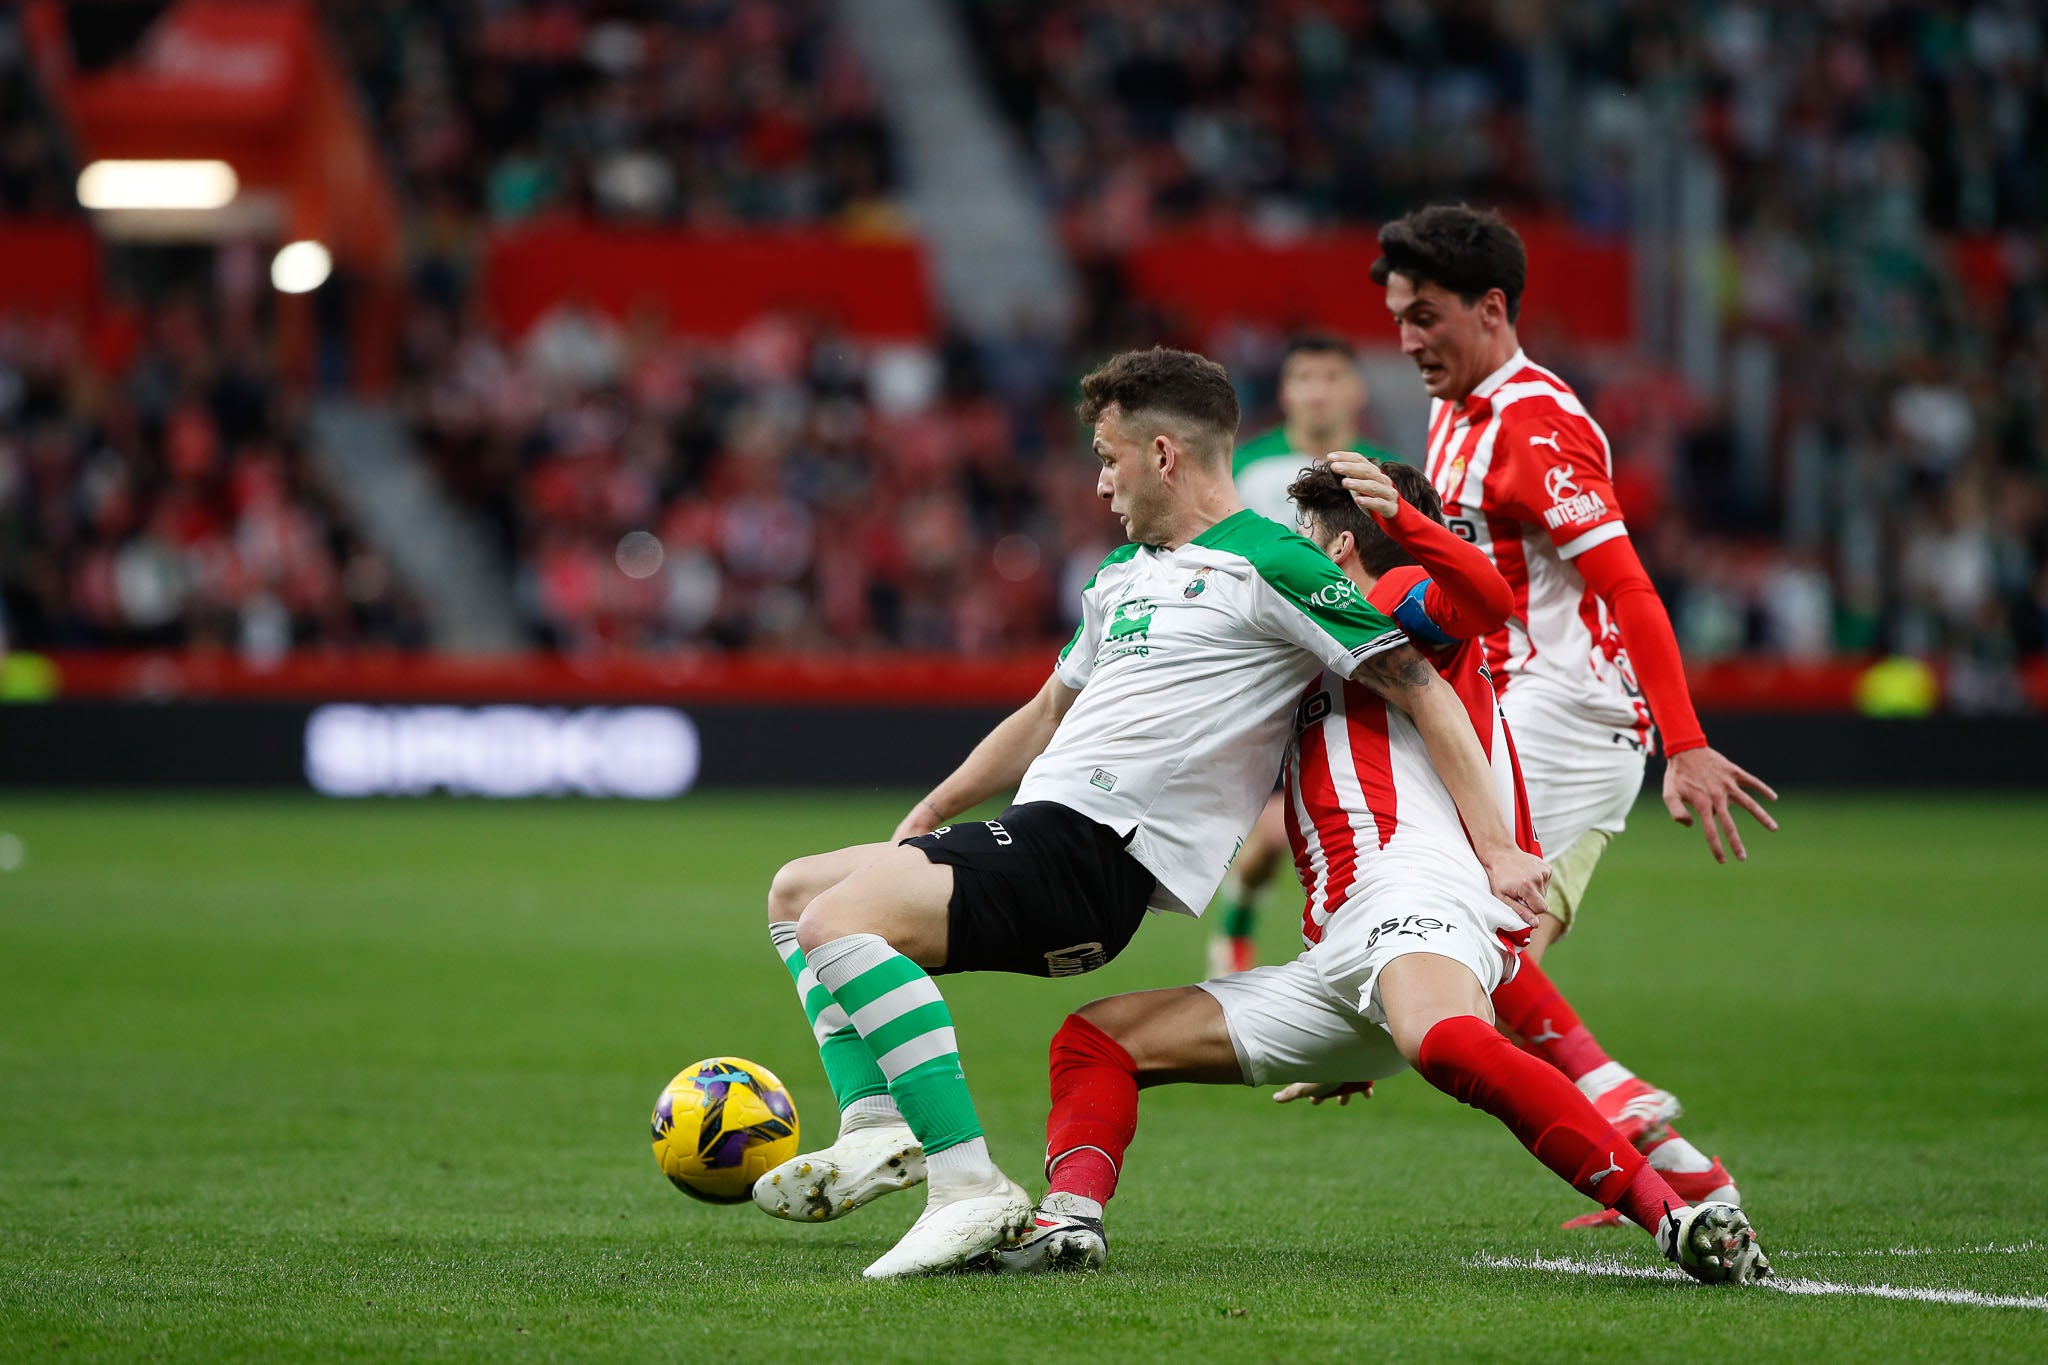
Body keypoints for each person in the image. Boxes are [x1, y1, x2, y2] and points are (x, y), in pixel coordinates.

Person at [756, 347, 1549, 1279]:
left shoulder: (1273, 559)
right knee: (796, 891)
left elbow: (1421, 685)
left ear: (1163, 454)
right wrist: (934, 806)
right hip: (1047, 827)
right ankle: (876, 1123)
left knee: (838, 919)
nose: (1098, 482)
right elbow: (1048, 710)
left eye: (1107, 457)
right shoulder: (1123, 573)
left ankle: (965, 1182)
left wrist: (1497, 848)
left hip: (1101, 851)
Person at [993, 459, 1771, 1286]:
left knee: (1440, 1039)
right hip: (1342, 954)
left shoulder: (1393, 599)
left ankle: (1677, 1215)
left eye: (1303, 540)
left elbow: (1485, 601)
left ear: (1336, 543)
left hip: (1413, 891)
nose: (1287, 555)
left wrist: (1406, 520)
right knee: (1095, 1039)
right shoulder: (1290, 650)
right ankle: (1070, 1218)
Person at [1372, 204, 1774, 1223]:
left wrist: (1684, 747)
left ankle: (1626, 1114)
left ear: (1491, 308)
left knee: (1463, 952)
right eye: (1396, 317)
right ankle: (1674, 1167)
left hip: (1558, 715)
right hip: (1507, 711)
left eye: (1424, 316)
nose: (1406, 340)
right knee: (1475, 969)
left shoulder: (1532, 422)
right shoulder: (1453, 406)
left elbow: (1630, 588)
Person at [1212, 335, 1403, 978]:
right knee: (1269, 838)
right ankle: (1245, 917)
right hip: (1261, 671)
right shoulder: (1244, 469)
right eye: (1304, 377)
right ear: (1286, 391)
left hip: (1353, 664)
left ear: (1356, 389)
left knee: (1331, 820)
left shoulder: (1389, 473)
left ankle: (1348, 956)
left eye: (1331, 376)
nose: (1317, 390)